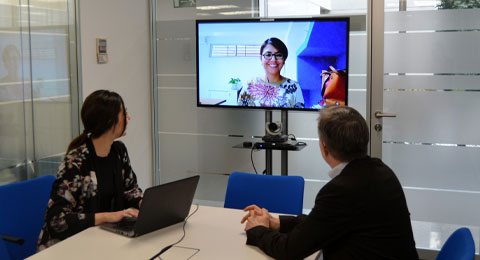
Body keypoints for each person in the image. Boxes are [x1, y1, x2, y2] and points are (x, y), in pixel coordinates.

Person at [241, 106, 419, 260]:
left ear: (324, 147)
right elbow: (323, 222)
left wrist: (258, 229)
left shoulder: (341, 190)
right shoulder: (381, 172)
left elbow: (289, 251)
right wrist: (277, 223)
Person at [37, 90, 143, 251]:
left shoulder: (119, 151)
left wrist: (145, 203)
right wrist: (109, 216)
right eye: (124, 113)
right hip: (69, 246)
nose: (128, 117)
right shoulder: (76, 162)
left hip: (104, 239)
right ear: (109, 121)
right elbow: (56, 220)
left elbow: (130, 190)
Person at [237, 37, 304, 108]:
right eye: (268, 55)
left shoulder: (294, 86)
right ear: (261, 58)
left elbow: (299, 116)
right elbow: (240, 115)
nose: (273, 59)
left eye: (278, 55)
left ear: (284, 59)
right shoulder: (250, 85)